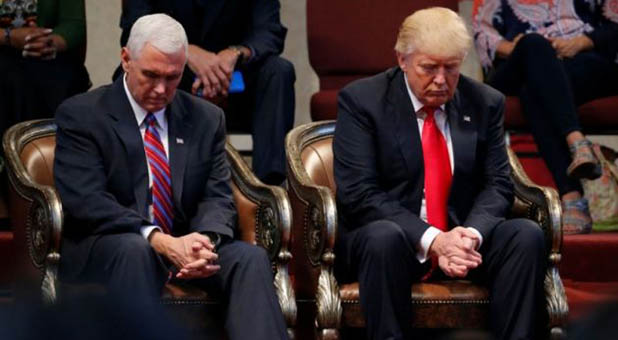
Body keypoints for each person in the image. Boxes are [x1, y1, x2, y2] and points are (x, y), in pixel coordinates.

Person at [53, 14, 288, 340]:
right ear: (126, 59)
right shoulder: (83, 115)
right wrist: (157, 239)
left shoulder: (205, 118)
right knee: (134, 250)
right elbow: (88, 201)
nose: (161, 89)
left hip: (185, 241)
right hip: (112, 243)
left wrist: (204, 242)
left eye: (172, 77)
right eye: (151, 75)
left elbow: (216, 195)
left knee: (248, 258)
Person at [333, 7, 545, 340]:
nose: (441, 80)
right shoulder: (363, 101)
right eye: (429, 68)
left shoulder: (485, 102)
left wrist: (470, 235)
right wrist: (434, 240)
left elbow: (497, 185)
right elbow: (359, 194)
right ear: (402, 60)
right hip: (395, 239)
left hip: (462, 237)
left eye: (452, 68)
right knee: (382, 237)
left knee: (525, 235)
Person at [473, 0, 618, 234]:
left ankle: (572, 198)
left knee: (534, 92)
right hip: (516, 65)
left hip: (582, 62)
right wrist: (519, 50)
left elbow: (615, 25)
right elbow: (482, 32)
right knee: (534, 46)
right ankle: (577, 144)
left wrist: (581, 42)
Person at [116, 0, 295, 186]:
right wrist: (184, 51)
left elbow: (269, 31)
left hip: (235, 81)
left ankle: (269, 191)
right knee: (129, 74)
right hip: (174, 77)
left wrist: (234, 54)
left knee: (279, 71)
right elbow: (134, 30)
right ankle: (136, 179)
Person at [0, 0, 90, 139]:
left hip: (50, 57)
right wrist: (8, 36)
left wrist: (48, 43)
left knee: (57, 78)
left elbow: (74, 25)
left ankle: (49, 153)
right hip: (3, 52)